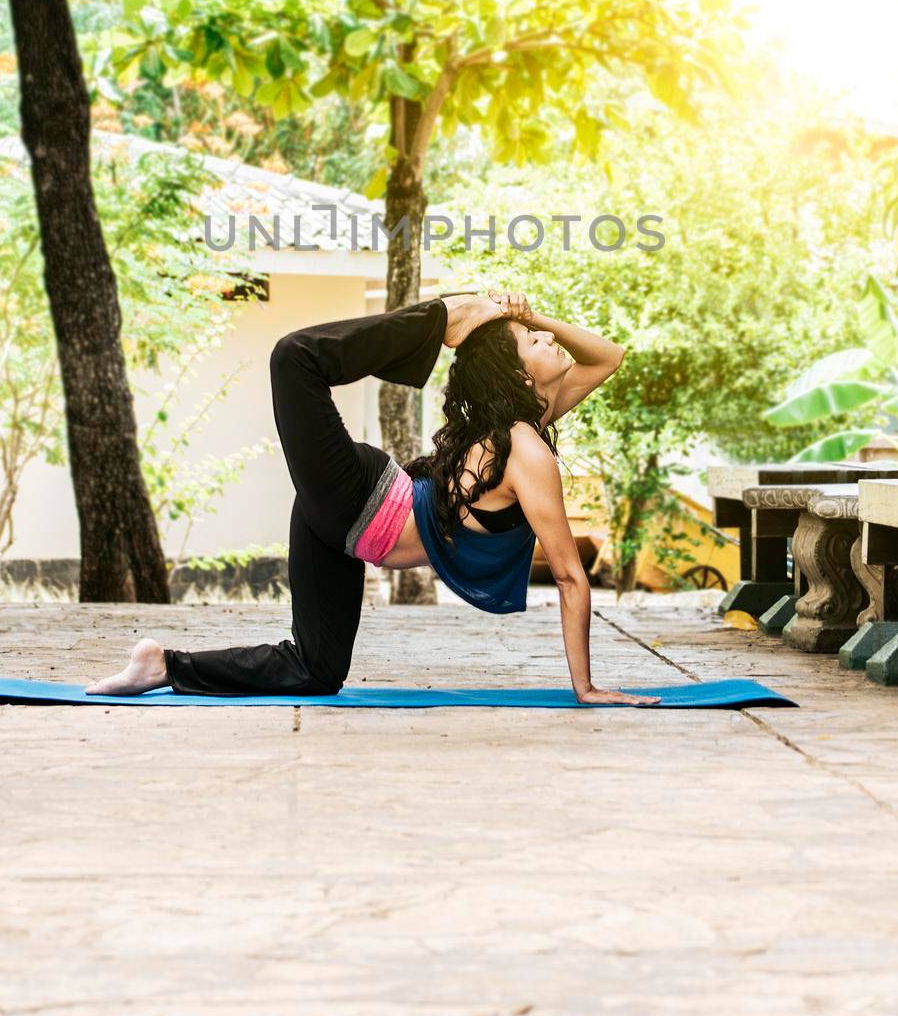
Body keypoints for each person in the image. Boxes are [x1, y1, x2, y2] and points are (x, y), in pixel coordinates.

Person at [87, 291, 660, 706]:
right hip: (356, 496)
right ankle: (442, 318)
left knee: (316, 671)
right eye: (533, 339)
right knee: (296, 358)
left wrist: (526, 313)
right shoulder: (521, 445)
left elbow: (608, 356)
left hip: (343, 529)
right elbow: (568, 577)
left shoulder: (522, 430)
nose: (549, 337)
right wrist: (584, 688)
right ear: (513, 374)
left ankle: (159, 666)